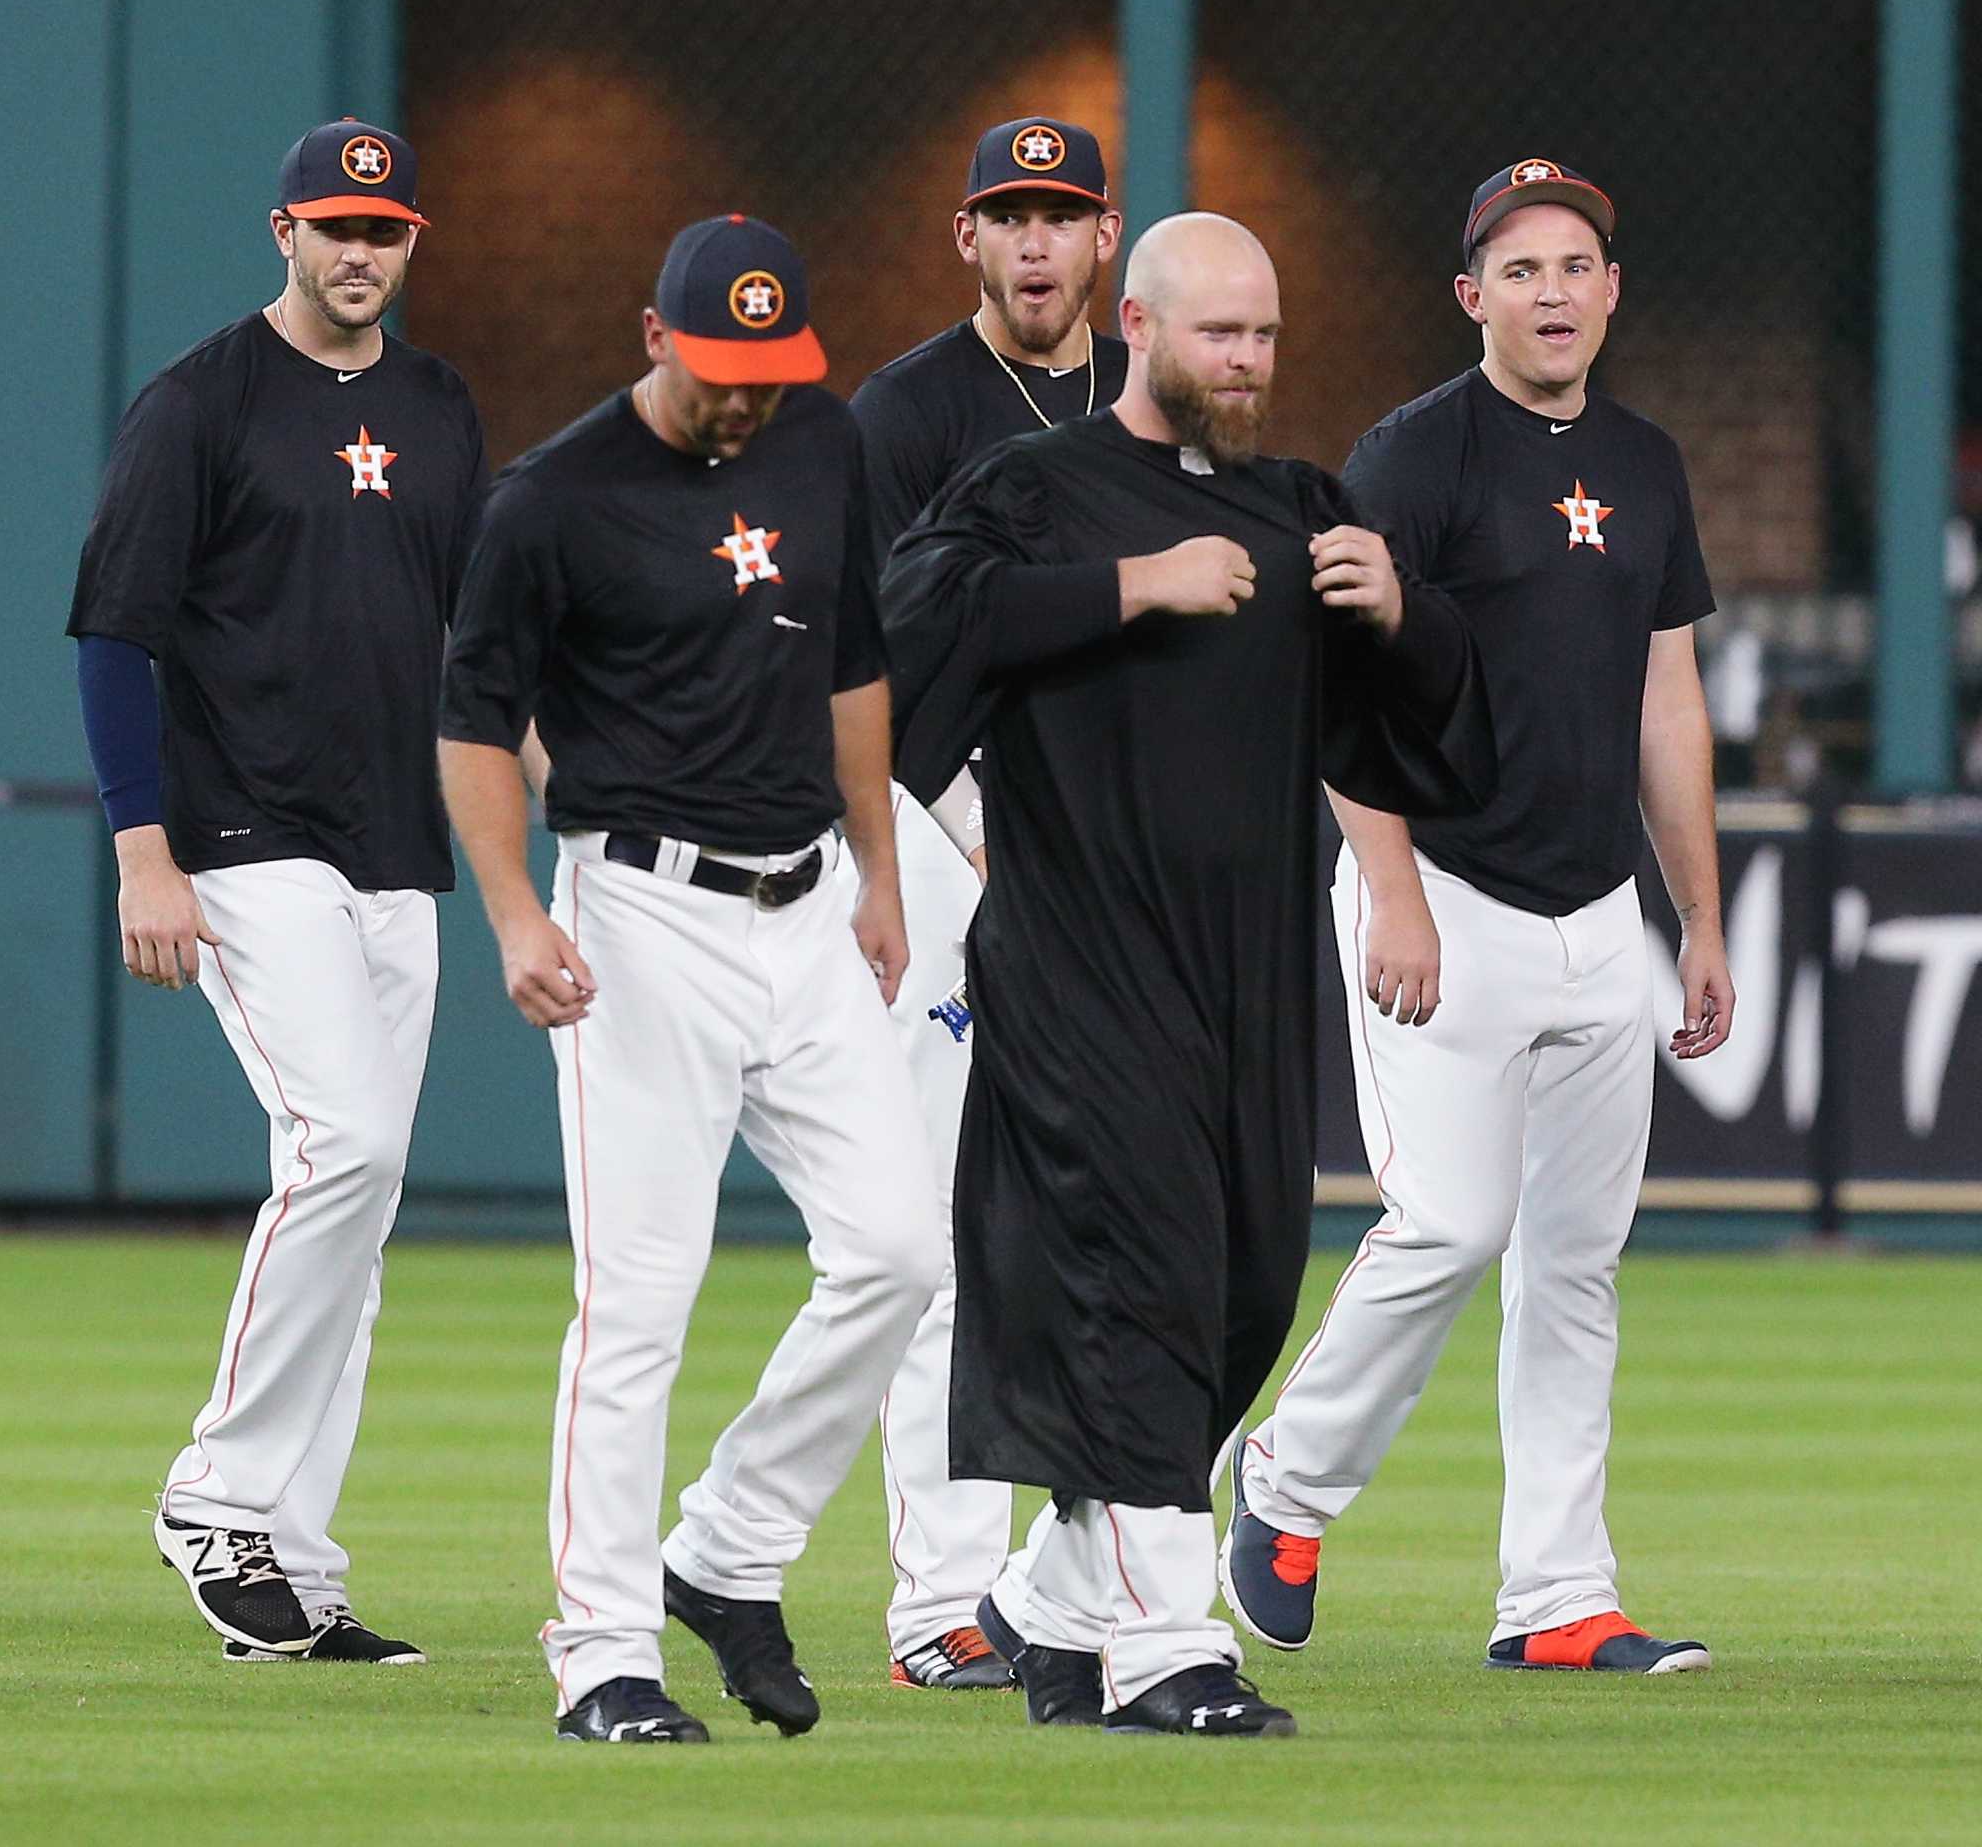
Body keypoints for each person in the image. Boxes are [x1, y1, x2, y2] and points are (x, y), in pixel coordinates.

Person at [881, 212, 1493, 1736]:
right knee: (1143, 1275)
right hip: (1080, 956)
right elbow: (903, 648)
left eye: (1268, 334)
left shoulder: (1304, 509)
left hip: (1258, 967)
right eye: (1221, 331)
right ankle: (1172, 1653)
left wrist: (1406, 613)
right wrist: (1129, 588)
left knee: (1239, 1289)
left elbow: (1419, 740)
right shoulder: (1033, 490)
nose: (1249, 360)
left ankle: (1045, 1607)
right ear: (1135, 328)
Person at [438, 215, 942, 1746]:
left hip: (805, 906)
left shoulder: (822, 441)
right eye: (721, 370)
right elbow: (471, 722)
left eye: (771, 370)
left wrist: (881, 872)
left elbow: (854, 662)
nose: (747, 399)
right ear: (650, 335)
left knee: (903, 1254)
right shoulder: (554, 499)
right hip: (642, 916)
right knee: (640, 1301)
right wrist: (520, 916)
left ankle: (722, 1549)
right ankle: (602, 1651)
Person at [1223, 160, 1731, 1677]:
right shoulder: (1416, 455)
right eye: (1521, 270)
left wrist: (1694, 915)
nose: (1554, 291)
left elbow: (1669, 699)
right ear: (1473, 296)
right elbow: (1341, 685)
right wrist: (1388, 889)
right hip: (1444, 889)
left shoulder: (1645, 463)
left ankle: (1559, 1599)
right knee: (1448, 1220)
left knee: (1576, 1263)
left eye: (1577, 263)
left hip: (1596, 914)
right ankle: (1283, 1481)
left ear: (1612, 288)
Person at [67, 117, 486, 1664]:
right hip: (244, 837)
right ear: (283, 233)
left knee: (359, 1202)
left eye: (382, 231)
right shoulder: (200, 402)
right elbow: (118, 633)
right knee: (350, 1141)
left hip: (398, 847)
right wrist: (141, 849)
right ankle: (219, 1490)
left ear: (410, 242)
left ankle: (293, 1571)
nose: (357, 253)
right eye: (332, 228)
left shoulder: (439, 408)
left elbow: (479, 632)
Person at [847, 116, 1127, 1691]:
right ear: (967, 237)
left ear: (1104, 237)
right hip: (942, 845)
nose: (1036, 243)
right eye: (1009, 215)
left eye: (1062, 215)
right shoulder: (907, 411)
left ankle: (1078, 1592)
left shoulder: (1144, 399)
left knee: (1115, 1237)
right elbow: (866, 663)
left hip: (1113, 861)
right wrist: (948, 845)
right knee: (955, 1242)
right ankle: (941, 1606)